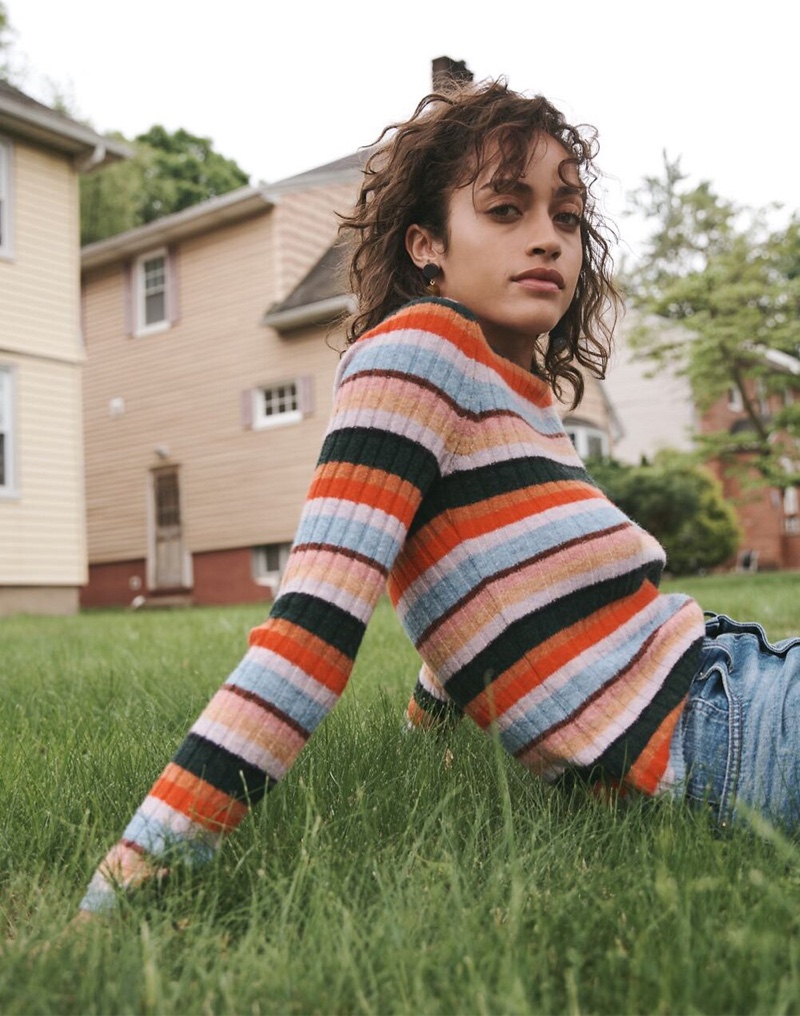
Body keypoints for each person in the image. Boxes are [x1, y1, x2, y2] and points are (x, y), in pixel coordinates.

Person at [79, 79, 800, 915]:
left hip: (737, 693)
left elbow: (486, 579)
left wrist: (428, 740)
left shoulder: (516, 393)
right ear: (427, 243)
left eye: (565, 218)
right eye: (506, 209)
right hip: (720, 732)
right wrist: (132, 873)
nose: (549, 241)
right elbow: (309, 632)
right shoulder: (419, 351)